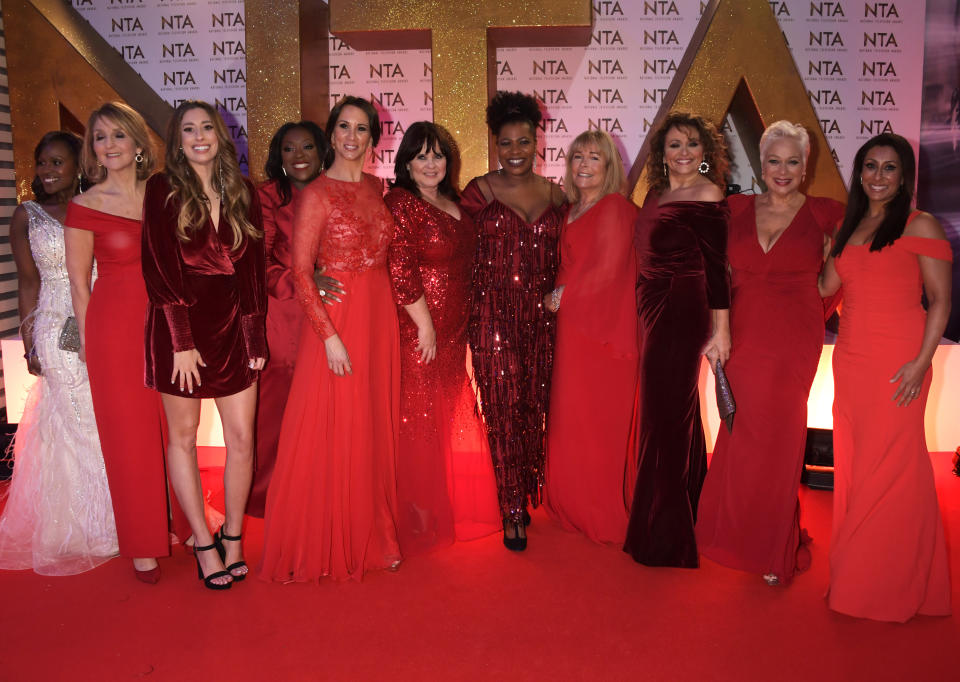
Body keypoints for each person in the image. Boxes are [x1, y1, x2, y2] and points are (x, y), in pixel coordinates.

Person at [259, 96, 402, 582]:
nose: (351, 136)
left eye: (362, 129)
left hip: (378, 317)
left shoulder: (377, 186)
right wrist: (329, 336)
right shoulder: (316, 193)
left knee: (367, 426)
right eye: (344, 126)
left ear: (372, 139)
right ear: (332, 133)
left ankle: (371, 535)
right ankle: (325, 537)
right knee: (332, 426)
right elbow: (300, 273)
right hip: (338, 322)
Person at [695, 121, 845, 586]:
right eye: (774, 161)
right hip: (740, 330)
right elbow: (710, 265)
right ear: (761, 164)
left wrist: (820, 291)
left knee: (780, 439)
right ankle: (733, 532)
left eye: (793, 161)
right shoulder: (734, 207)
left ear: (807, 165)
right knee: (739, 430)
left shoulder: (827, 214)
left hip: (792, 335)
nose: (783, 170)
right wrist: (716, 329)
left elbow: (842, 272)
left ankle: (772, 547)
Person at [819, 133, 952, 622]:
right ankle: (866, 573)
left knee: (894, 469)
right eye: (870, 167)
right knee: (858, 468)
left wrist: (921, 363)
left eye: (889, 168)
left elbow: (939, 301)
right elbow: (825, 288)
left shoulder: (923, 226)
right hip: (852, 363)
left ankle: (880, 584)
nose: (878, 176)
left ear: (905, 176)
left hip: (900, 363)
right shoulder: (847, 227)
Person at [141, 100, 267, 590]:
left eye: (207, 128)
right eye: (188, 129)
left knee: (241, 438)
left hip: (234, 328)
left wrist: (254, 333)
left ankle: (232, 535)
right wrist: (181, 341)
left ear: (221, 136)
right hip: (180, 333)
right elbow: (159, 267)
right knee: (182, 438)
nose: (198, 137)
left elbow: (253, 269)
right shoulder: (162, 188)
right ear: (176, 140)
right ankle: (202, 541)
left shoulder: (242, 192)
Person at [64, 102, 187, 583]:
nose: (109, 146)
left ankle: (185, 522)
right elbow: (79, 286)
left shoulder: (164, 194)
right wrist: (92, 347)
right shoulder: (84, 205)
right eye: (100, 138)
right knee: (128, 435)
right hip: (114, 329)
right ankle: (141, 542)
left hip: (168, 323)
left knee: (176, 427)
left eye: (118, 136)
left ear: (139, 145)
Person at [0, 131, 118, 575]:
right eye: (42, 162)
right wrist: (29, 342)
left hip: (101, 319)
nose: (48, 172)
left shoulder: (98, 206)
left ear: (79, 166)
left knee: (105, 416)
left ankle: (121, 512)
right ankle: (98, 525)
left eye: (58, 163)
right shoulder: (26, 215)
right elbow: (28, 282)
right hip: (55, 325)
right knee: (78, 419)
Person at [384, 121, 500, 556]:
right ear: (407, 164)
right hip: (420, 332)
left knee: (439, 419)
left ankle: (429, 501)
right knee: (417, 424)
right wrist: (425, 326)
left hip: (454, 332)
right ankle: (415, 508)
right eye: (421, 156)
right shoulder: (401, 203)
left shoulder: (452, 202)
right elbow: (400, 269)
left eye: (437, 155)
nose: (431, 163)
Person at [623, 111, 731, 568]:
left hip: (681, 306)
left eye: (691, 145)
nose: (683, 153)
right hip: (650, 304)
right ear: (661, 153)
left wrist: (721, 330)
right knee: (674, 411)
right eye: (674, 145)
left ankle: (665, 536)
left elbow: (717, 268)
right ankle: (689, 501)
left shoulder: (708, 193)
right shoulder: (656, 192)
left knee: (663, 415)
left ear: (705, 153)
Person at [460, 91, 566, 551]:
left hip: (543, 320)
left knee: (531, 410)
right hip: (490, 316)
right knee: (501, 408)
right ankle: (511, 509)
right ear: (495, 145)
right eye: (507, 143)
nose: (516, 151)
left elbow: (576, 255)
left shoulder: (558, 194)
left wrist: (563, 292)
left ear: (537, 141)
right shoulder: (478, 192)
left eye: (524, 141)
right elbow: (451, 247)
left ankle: (522, 489)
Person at [543, 130, 638, 544]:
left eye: (594, 158)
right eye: (577, 156)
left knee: (599, 423)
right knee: (572, 417)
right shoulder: (571, 209)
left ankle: (601, 512)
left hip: (601, 334)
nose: (584, 164)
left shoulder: (615, 207)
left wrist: (563, 295)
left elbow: (608, 271)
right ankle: (573, 503)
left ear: (610, 166)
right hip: (573, 330)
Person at [246, 120, 328, 518]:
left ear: (322, 151)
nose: (298, 157)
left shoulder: (337, 191)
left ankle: (318, 490)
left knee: (326, 408)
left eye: (307, 147)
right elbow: (255, 264)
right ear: (278, 156)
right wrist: (305, 285)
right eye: (289, 149)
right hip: (284, 313)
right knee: (277, 406)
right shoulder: (264, 197)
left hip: (333, 313)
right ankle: (267, 494)